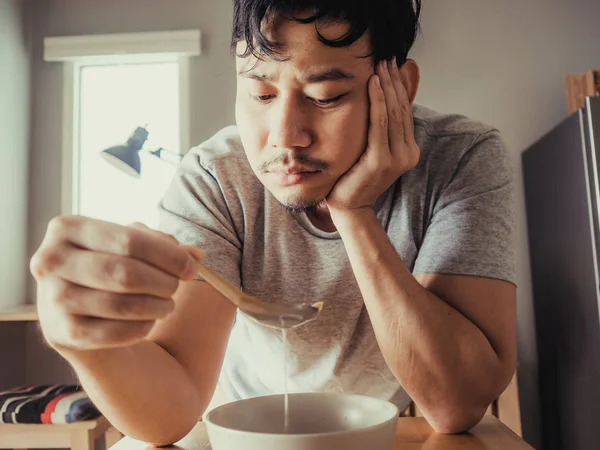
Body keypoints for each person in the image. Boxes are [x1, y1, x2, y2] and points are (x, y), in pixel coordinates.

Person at [30, 0, 517, 446]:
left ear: (400, 90)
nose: (285, 138)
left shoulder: (460, 159)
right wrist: (82, 343)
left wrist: (353, 211)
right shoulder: (214, 176)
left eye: (326, 96)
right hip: (235, 427)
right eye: (261, 95)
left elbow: (455, 403)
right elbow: (167, 417)